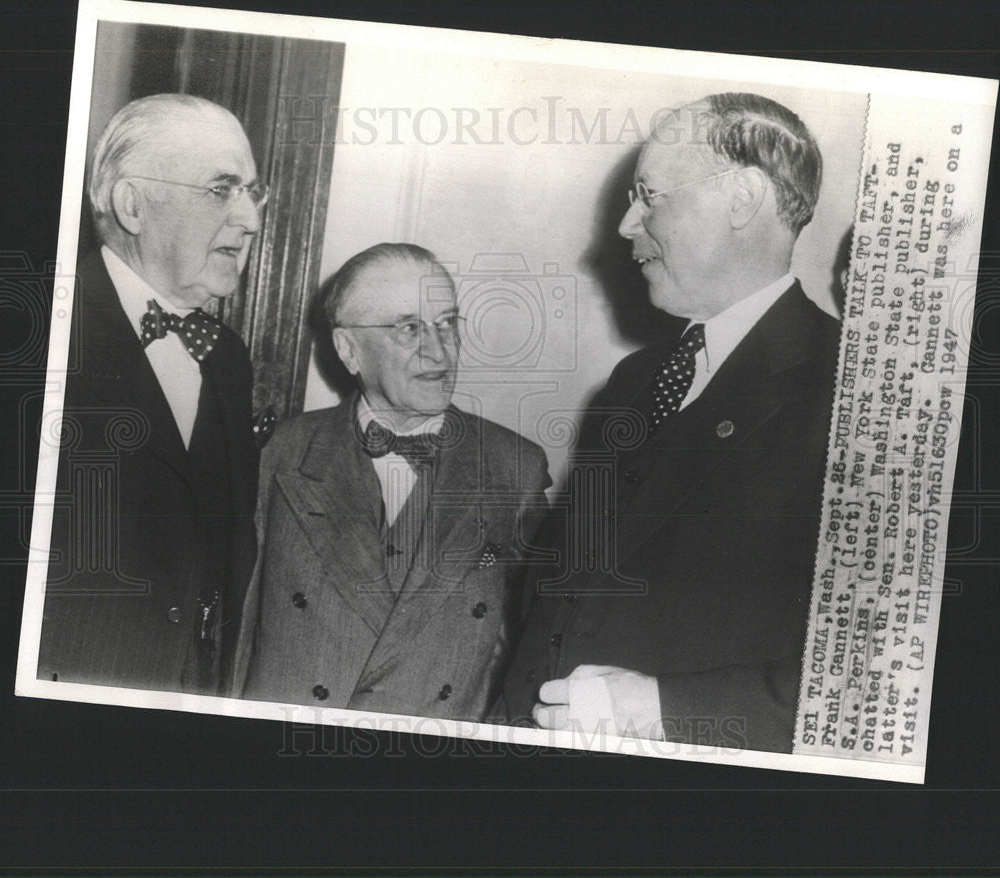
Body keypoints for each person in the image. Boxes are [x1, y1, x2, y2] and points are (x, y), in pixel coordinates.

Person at [505, 92, 842, 752]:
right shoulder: (633, 382)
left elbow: (877, 684)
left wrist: (661, 709)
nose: (627, 224)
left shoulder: (852, 392)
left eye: (650, 196)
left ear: (743, 198)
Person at [233, 243, 551, 721]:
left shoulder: (513, 468)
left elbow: (537, 648)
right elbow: (234, 632)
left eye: (447, 323)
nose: (439, 350)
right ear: (348, 349)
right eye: (409, 328)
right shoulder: (279, 453)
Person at [38, 93, 264, 694]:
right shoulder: (45, 333)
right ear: (132, 205)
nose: (251, 221)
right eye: (221, 189)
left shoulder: (229, 359)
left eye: (251, 192)